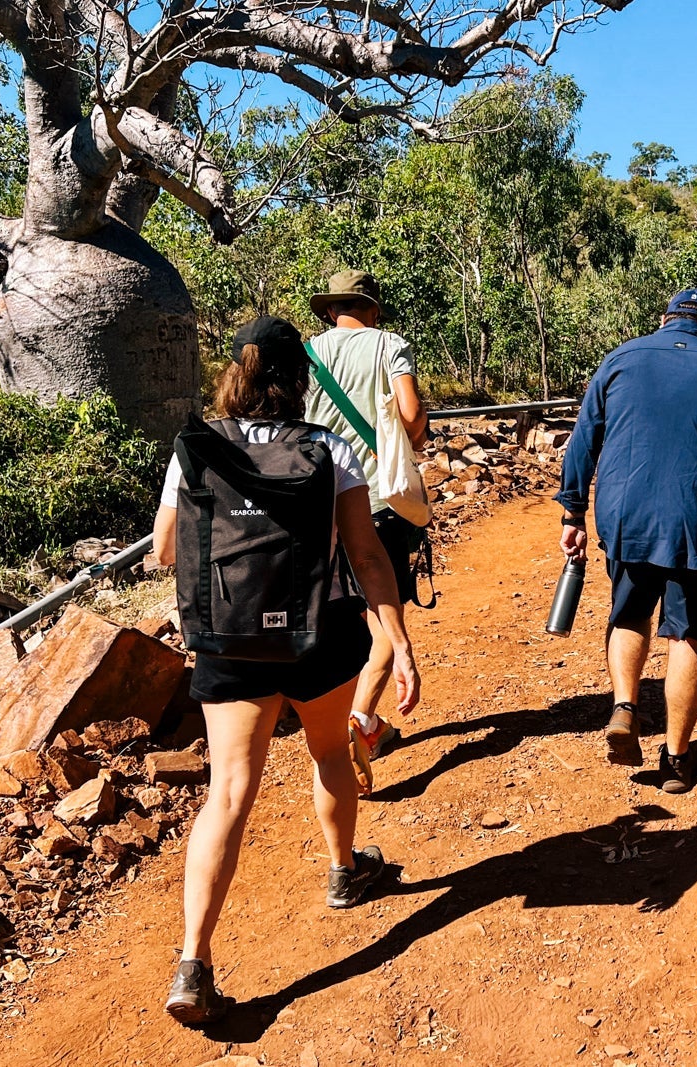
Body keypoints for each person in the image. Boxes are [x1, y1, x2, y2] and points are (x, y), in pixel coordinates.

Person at [151, 315, 421, 1024]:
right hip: (317, 638)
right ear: (298, 379)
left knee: (229, 791)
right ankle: (344, 869)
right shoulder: (328, 449)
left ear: (234, 373)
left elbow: (162, 549)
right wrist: (398, 637)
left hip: (228, 640)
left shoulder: (194, 450)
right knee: (329, 749)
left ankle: (193, 962)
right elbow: (366, 556)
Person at [555, 289, 697, 794]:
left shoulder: (619, 358)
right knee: (686, 635)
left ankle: (625, 706)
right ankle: (678, 759)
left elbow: (584, 436)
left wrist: (572, 509)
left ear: (664, 320)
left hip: (626, 516)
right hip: (693, 520)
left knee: (629, 613)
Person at [303, 269, 429, 796]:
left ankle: (341, 725)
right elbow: (411, 414)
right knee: (385, 621)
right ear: (372, 309)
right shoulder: (389, 345)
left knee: (341, 617)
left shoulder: (306, 353)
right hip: (376, 500)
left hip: (314, 503)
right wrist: (412, 438)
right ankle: (360, 722)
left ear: (333, 309)